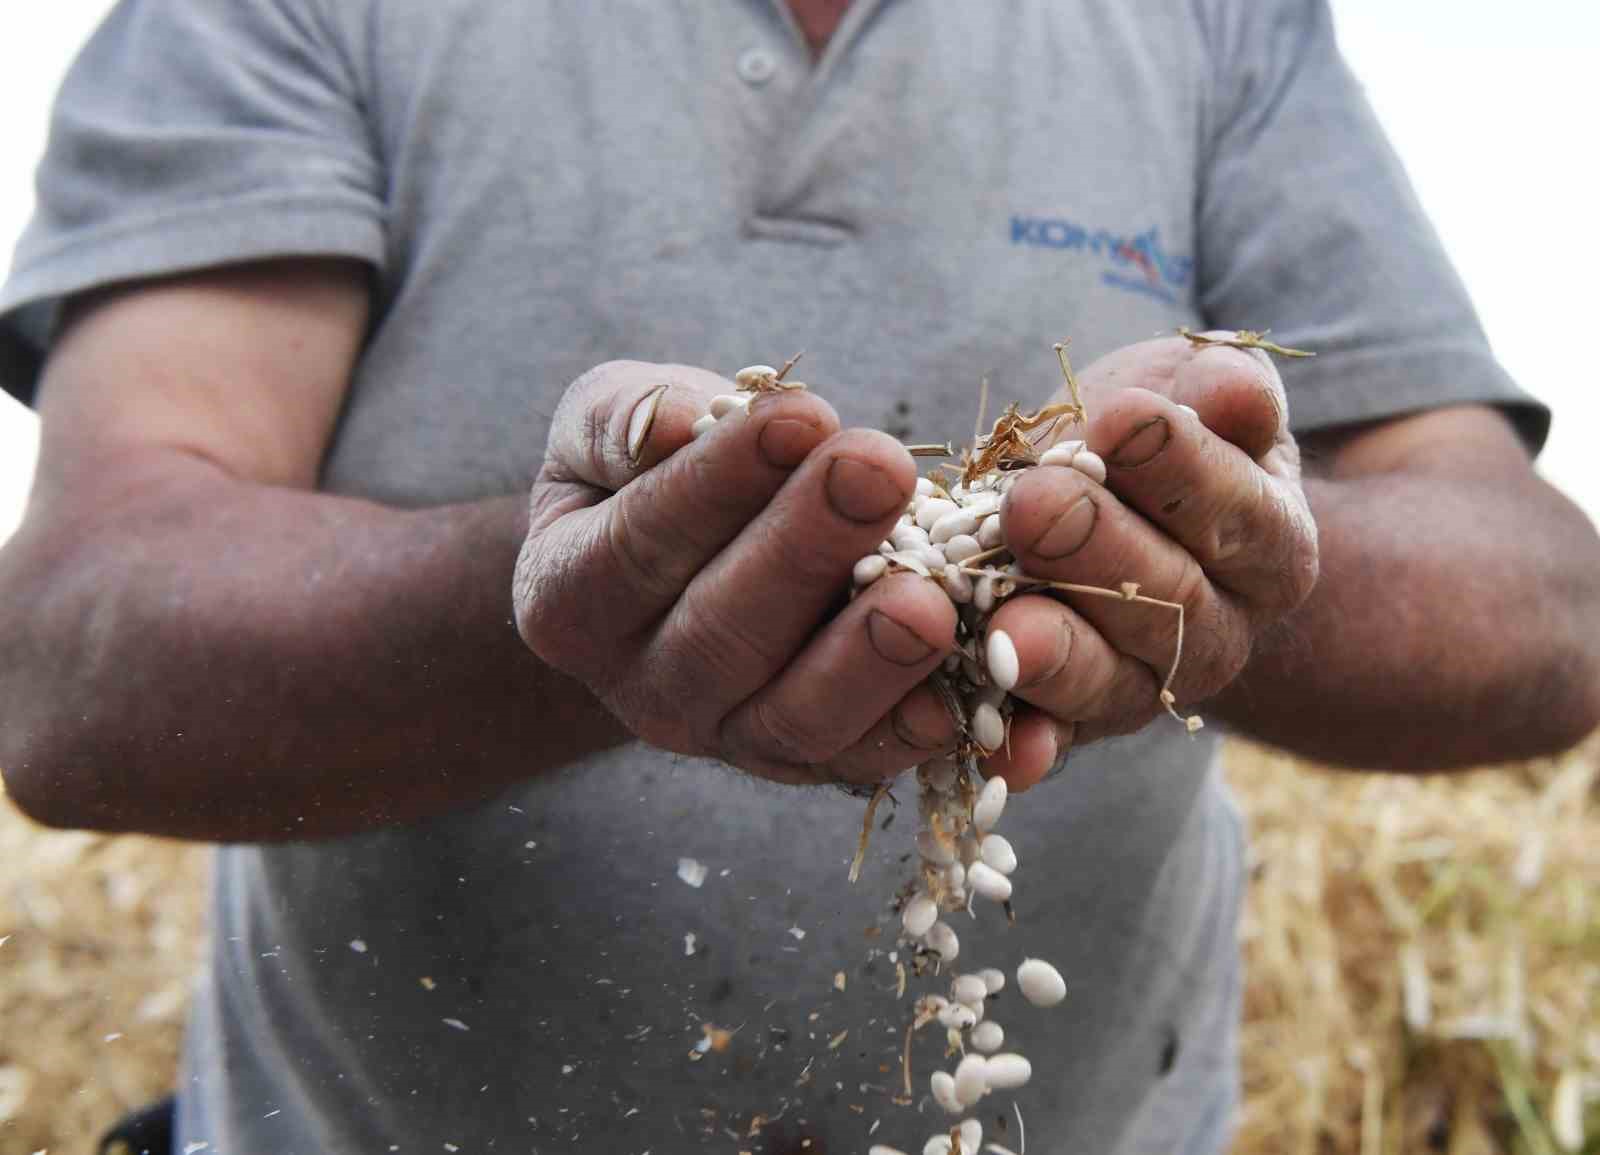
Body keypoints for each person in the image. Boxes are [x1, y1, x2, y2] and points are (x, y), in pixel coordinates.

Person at [1, 1, 1596, 1152]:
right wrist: (580, 597)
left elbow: (1544, 607)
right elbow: (71, 662)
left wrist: (1214, 556)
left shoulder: (1210, 29)